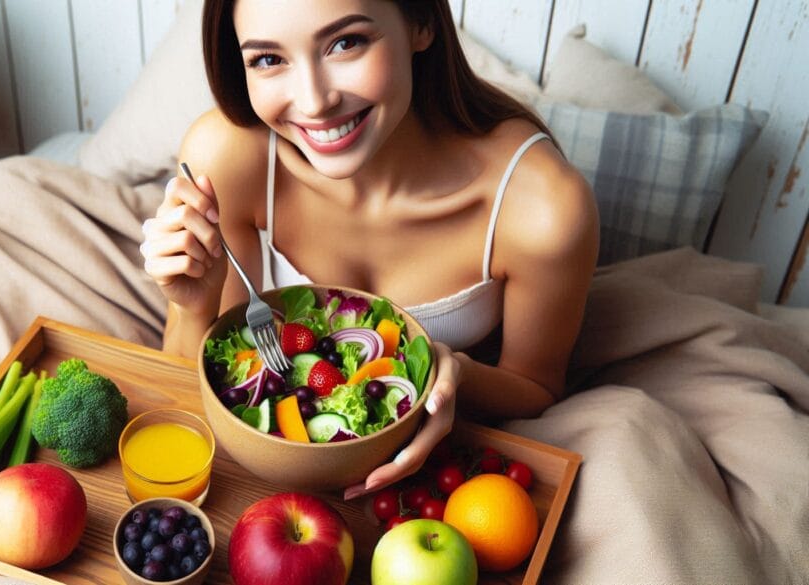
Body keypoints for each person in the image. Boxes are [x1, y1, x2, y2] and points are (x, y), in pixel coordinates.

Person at [140, 0, 599, 500]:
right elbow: (215, 388)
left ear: (422, 23)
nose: (314, 102)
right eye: (269, 59)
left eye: (345, 42)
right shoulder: (225, 160)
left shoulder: (543, 208)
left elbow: (537, 388)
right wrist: (193, 306)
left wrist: (459, 376)